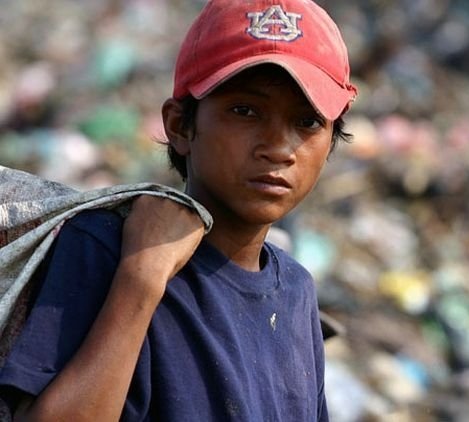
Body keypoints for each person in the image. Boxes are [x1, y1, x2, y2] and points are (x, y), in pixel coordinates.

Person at [0, 0, 357, 420]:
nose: (278, 148)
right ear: (180, 126)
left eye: (307, 122)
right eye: (245, 111)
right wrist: (141, 279)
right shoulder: (106, 247)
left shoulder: (296, 292)